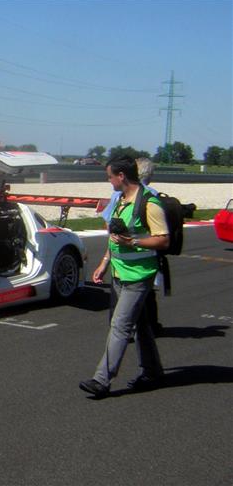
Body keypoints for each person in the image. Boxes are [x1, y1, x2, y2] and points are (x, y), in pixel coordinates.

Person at [80, 156, 169, 398]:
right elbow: (115, 235)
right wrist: (104, 262)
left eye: (110, 176)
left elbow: (163, 239)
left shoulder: (149, 204)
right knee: (140, 325)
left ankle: (102, 379)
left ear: (122, 176)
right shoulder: (120, 200)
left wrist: (134, 241)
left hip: (139, 276)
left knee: (119, 326)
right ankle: (153, 371)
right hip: (120, 273)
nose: (108, 181)